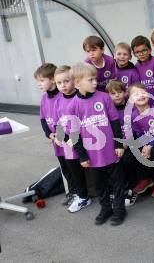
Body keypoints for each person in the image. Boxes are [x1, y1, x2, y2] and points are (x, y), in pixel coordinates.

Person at [67, 62, 126, 226]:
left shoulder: (104, 97)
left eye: (95, 79)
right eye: (90, 79)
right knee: (99, 184)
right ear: (78, 83)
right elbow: (74, 133)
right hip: (92, 156)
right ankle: (106, 208)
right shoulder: (73, 106)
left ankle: (120, 209)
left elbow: (115, 121)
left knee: (117, 182)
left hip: (111, 151)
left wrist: (118, 144)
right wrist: (82, 155)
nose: (95, 82)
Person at [53, 65, 91, 213]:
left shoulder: (81, 98)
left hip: (84, 141)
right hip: (68, 143)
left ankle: (104, 194)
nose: (63, 85)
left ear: (74, 81)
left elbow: (87, 120)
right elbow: (59, 121)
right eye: (59, 83)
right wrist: (59, 135)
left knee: (93, 169)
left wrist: (76, 136)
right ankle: (82, 197)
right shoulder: (58, 100)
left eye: (66, 81)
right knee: (74, 170)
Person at [35, 63, 71, 205]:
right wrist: (48, 134)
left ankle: (78, 192)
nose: (39, 84)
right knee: (65, 168)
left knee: (73, 167)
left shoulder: (62, 96)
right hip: (55, 140)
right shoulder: (44, 98)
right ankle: (70, 192)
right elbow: (43, 118)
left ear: (52, 79)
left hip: (67, 138)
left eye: (41, 80)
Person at [129, 83, 154, 199]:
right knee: (135, 149)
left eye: (143, 93)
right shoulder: (133, 115)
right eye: (136, 94)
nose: (141, 96)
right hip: (149, 139)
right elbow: (139, 132)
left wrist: (150, 145)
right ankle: (145, 178)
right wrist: (144, 145)